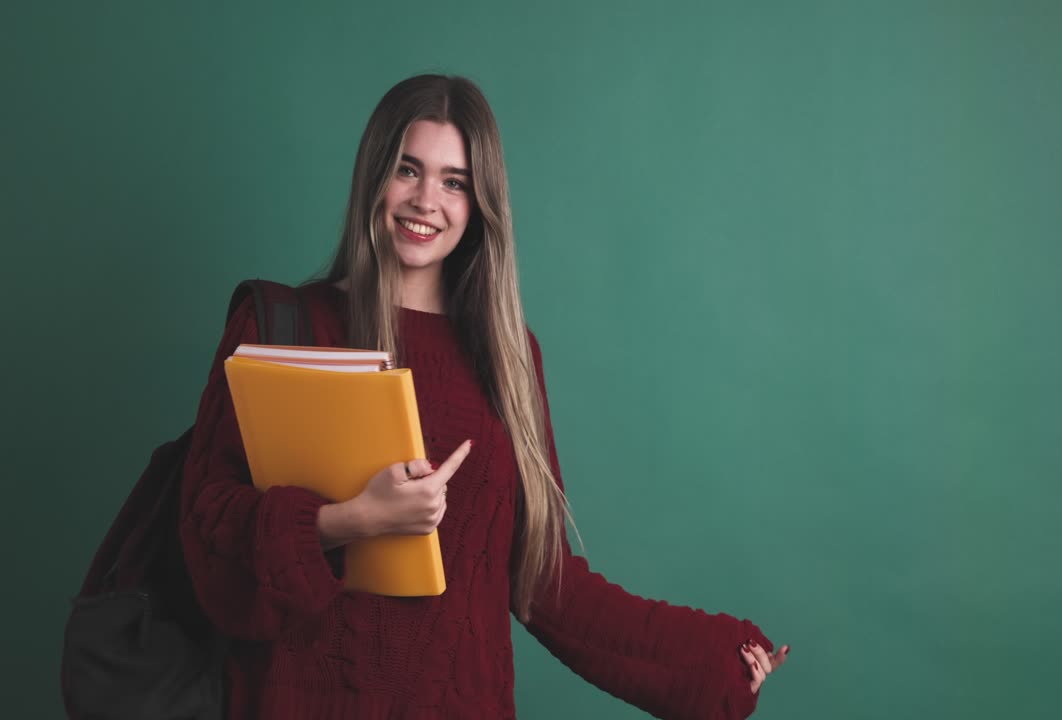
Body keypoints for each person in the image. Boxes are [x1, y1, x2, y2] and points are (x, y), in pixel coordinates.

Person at [180, 74, 788, 719]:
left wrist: (716, 660)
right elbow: (208, 538)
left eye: (454, 181)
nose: (425, 201)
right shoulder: (283, 327)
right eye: (407, 170)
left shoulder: (509, 357)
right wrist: (353, 520)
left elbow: (546, 588)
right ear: (373, 177)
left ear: (479, 203)